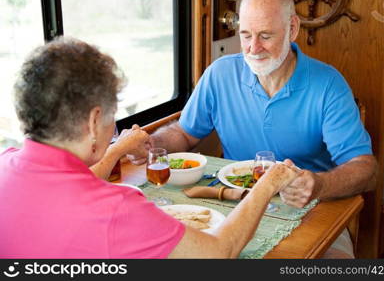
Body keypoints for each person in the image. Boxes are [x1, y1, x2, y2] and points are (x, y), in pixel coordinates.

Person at [127, 0, 378, 258]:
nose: (253, 48)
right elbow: (183, 134)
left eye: (266, 36)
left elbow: (366, 169)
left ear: (292, 29)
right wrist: (152, 144)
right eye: (245, 35)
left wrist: (318, 185)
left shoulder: (328, 84)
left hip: (310, 208)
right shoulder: (220, 74)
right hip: (234, 205)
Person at [0, 36, 298, 258]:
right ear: (93, 122)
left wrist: (116, 151)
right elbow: (219, 253)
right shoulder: (116, 210)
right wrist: (266, 185)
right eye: (112, 114)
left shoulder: (5, 162)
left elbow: (76, 185)